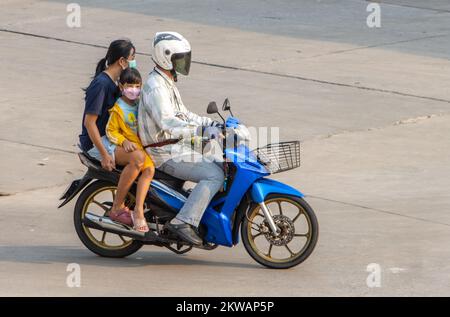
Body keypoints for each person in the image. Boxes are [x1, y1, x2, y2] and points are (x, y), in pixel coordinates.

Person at [138, 32, 224, 245]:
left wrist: (210, 124)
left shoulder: (166, 81)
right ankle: (184, 221)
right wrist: (202, 132)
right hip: (163, 152)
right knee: (215, 175)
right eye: (180, 58)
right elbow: (169, 122)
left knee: (222, 165)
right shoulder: (157, 87)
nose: (184, 62)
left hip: (174, 145)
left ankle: (195, 209)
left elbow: (184, 115)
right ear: (166, 56)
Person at [79, 39, 143, 226]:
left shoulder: (114, 83)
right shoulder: (101, 85)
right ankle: (117, 207)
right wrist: (105, 155)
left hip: (111, 138)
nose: (133, 63)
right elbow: (89, 123)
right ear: (122, 61)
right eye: (132, 58)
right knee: (137, 159)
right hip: (98, 143)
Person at [105, 68, 155, 232]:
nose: (133, 90)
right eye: (129, 86)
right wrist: (123, 141)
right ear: (121, 87)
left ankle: (139, 208)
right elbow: (110, 131)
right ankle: (117, 206)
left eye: (137, 86)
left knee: (149, 170)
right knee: (138, 159)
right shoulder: (118, 109)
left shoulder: (140, 104)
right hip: (120, 147)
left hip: (139, 146)